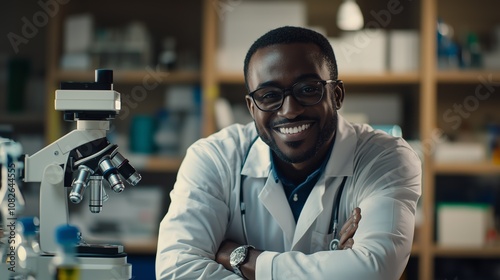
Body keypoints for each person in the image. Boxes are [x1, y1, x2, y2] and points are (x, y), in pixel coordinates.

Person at [155, 26, 421, 280]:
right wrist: (337, 268)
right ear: (251, 108)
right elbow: (177, 270)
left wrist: (242, 258)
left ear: (337, 95)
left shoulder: (386, 158)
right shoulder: (214, 158)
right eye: (269, 95)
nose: (289, 110)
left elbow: (374, 270)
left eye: (307, 90)